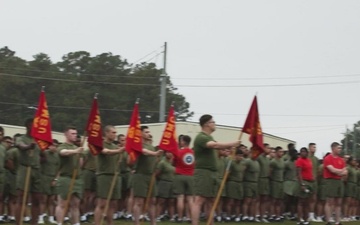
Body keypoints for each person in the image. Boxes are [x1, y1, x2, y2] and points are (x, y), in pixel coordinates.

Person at [191, 114, 240, 225]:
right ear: (206, 124)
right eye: (213, 122)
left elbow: (216, 145)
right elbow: (214, 145)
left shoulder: (209, 137)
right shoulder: (201, 137)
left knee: (211, 201)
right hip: (203, 172)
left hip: (212, 173)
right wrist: (232, 143)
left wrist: (228, 146)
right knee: (199, 200)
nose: (214, 124)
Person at [131, 126, 163, 225]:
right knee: (139, 201)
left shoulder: (151, 146)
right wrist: (155, 153)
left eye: (149, 132)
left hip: (150, 176)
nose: (148, 134)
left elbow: (153, 160)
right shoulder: (138, 145)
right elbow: (144, 152)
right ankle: (137, 222)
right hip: (140, 175)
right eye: (146, 132)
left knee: (152, 201)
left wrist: (157, 157)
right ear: (140, 133)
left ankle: (153, 222)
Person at [94, 125, 124, 225]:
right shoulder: (101, 144)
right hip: (104, 175)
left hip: (115, 176)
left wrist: (120, 153)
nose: (115, 135)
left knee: (113, 203)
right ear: (106, 133)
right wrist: (118, 151)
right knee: (102, 203)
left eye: (115, 133)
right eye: (113, 132)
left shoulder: (115, 146)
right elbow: (106, 152)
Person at [15, 118, 42, 225]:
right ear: (27, 126)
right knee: (21, 198)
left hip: (36, 170)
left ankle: (34, 222)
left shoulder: (38, 140)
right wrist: (28, 147)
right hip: (25, 169)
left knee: (36, 199)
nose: (34, 128)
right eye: (32, 125)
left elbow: (43, 155)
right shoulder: (21, 138)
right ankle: (18, 222)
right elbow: (20, 146)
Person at [55, 126, 84, 225]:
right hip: (65, 178)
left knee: (75, 204)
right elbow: (63, 153)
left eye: (76, 133)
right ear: (66, 134)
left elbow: (80, 164)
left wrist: (79, 154)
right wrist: (76, 152)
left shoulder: (77, 148)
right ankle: (60, 222)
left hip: (76, 179)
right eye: (72, 133)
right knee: (62, 204)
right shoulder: (62, 146)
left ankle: (76, 223)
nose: (75, 136)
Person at [323, 142, 347, 225]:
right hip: (331, 181)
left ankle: (338, 221)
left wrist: (338, 172)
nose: (340, 150)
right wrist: (340, 171)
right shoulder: (328, 158)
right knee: (330, 202)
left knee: (339, 202)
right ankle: (328, 221)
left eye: (340, 148)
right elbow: (332, 170)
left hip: (339, 181)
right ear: (333, 149)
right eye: (338, 148)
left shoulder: (341, 159)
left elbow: (345, 171)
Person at [173, 135, 194, 223]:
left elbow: (174, 162)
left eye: (181, 140)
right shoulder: (193, 153)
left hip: (180, 175)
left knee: (180, 198)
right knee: (190, 199)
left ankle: (180, 217)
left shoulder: (179, 152)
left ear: (184, 142)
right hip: (190, 176)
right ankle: (192, 217)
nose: (180, 142)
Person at [38, 140, 60, 224]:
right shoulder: (45, 153)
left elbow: (59, 169)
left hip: (53, 178)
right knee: (43, 199)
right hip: (44, 177)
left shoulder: (57, 156)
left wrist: (55, 179)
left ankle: (51, 217)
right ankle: (41, 217)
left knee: (51, 200)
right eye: (52, 145)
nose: (54, 147)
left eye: (55, 146)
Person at [225, 149, 245, 222]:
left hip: (240, 183)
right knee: (230, 201)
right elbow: (227, 174)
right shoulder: (231, 163)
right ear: (236, 155)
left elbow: (242, 173)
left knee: (238, 201)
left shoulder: (242, 163)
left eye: (242, 156)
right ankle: (228, 216)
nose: (241, 157)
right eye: (239, 156)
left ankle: (237, 216)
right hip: (232, 183)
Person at [296, 147, 315, 225]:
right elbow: (299, 173)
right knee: (301, 201)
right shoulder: (299, 161)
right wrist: (302, 184)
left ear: (307, 153)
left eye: (304, 152)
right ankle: (299, 219)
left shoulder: (309, 160)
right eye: (301, 152)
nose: (303, 153)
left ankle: (306, 218)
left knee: (307, 202)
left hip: (310, 182)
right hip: (303, 181)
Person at [155, 151, 175, 221]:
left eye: (171, 152)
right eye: (168, 152)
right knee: (161, 200)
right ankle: (157, 216)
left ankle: (172, 217)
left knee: (171, 201)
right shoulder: (162, 163)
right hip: (164, 182)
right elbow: (157, 173)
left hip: (172, 182)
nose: (169, 154)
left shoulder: (173, 162)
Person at [269, 146, 285, 222]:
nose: (281, 153)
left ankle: (278, 215)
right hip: (275, 182)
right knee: (273, 200)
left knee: (279, 200)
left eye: (282, 152)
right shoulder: (273, 162)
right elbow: (270, 173)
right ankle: (272, 215)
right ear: (276, 152)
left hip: (281, 182)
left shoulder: (282, 161)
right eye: (280, 152)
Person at [256, 143, 271, 223]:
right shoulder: (259, 157)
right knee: (258, 198)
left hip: (266, 180)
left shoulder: (268, 159)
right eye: (268, 148)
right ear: (264, 148)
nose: (269, 150)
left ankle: (262, 216)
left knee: (264, 199)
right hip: (260, 179)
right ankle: (256, 215)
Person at [0, 135, 13, 223]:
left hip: (6, 176)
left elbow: (9, 165)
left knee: (3, 197)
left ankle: (3, 215)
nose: (9, 144)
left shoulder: (9, 151)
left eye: (11, 143)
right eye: (7, 142)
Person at [308, 143, 320, 222]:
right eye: (313, 147)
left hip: (314, 181)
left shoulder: (316, 159)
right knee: (306, 199)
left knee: (314, 198)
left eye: (315, 147)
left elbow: (318, 170)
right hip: (307, 180)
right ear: (309, 148)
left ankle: (311, 215)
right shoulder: (307, 158)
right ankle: (306, 215)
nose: (314, 148)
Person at [343, 156, 358, 221]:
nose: (355, 162)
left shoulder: (354, 169)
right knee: (347, 202)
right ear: (350, 161)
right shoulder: (348, 168)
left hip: (354, 185)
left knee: (352, 202)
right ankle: (345, 216)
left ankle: (349, 215)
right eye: (353, 160)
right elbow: (345, 178)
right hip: (349, 184)